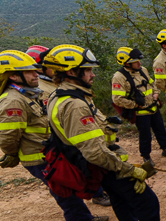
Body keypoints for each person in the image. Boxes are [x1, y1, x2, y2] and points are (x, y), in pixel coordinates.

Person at [43, 44, 166, 221]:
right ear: (72, 72)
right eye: (88, 70)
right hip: (103, 163)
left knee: (120, 200)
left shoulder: (60, 95)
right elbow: (94, 152)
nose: (92, 75)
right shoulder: (74, 104)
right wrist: (128, 169)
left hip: (94, 162)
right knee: (146, 200)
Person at [0, 50, 109, 221]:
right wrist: (12, 154)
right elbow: (8, 137)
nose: (36, 75)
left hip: (50, 153)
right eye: (30, 72)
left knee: (74, 190)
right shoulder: (13, 101)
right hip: (39, 159)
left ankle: (86, 220)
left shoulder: (27, 93)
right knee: (67, 197)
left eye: (36, 71)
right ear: (14, 76)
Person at [27, 45, 113, 207]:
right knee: (72, 180)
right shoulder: (43, 89)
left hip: (74, 137)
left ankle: (98, 193)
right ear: (42, 70)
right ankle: (93, 203)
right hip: (58, 142)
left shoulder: (63, 85)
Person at [112, 47, 166, 165]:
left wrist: (156, 93)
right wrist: (135, 105)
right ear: (126, 63)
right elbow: (117, 99)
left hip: (154, 108)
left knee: (160, 129)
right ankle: (146, 156)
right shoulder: (119, 77)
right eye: (135, 61)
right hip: (141, 112)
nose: (139, 63)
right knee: (145, 135)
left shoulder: (142, 70)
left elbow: (152, 83)